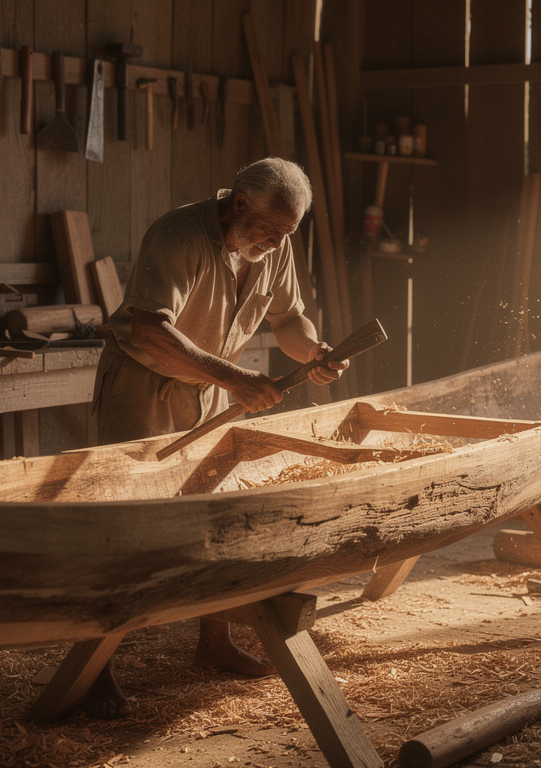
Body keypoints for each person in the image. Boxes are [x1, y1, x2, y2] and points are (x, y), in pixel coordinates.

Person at [81, 157, 348, 719]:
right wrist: (233, 377)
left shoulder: (275, 244)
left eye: (289, 234)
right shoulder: (178, 235)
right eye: (272, 230)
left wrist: (314, 353)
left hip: (211, 386)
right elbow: (151, 330)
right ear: (240, 203)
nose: (277, 243)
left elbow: (289, 319)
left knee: (216, 512)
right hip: (143, 380)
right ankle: (93, 670)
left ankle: (215, 641)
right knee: (126, 525)